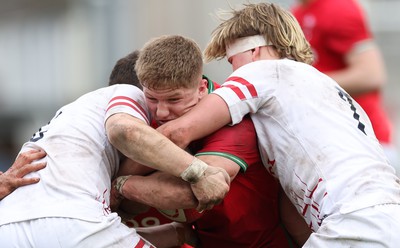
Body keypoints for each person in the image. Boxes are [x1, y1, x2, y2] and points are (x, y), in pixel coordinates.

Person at [157, 3, 400, 247]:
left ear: (255, 51)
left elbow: (178, 132)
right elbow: (292, 215)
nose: (232, 72)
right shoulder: (324, 90)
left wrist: (120, 179)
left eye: (232, 60)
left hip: (353, 220)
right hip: (385, 216)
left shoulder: (263, 70)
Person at [111, 35, 307, 247]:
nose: (161, 111)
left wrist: (120, 184)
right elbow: (134, 208)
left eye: (174, 99)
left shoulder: (236, 124)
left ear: (202, 88)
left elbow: (188, 196)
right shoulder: (148, 112)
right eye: (152, 99)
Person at [0, 75, 230, 246]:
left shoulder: (70, 118)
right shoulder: (127, 93)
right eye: (154, 99)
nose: (161, 114)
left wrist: (178, 232)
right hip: (75, 221)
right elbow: (127, 131)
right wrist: (199, 172)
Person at [291, 0, 399, 176]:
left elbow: (371, 74)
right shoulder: (297, 13)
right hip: (330, 146)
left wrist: (304, 84)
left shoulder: (338, 7)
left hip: (363, 147)